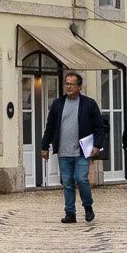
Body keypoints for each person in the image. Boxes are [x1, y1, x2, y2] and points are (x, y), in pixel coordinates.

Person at [44, 72, 108, 223]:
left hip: (82, 150)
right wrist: (44, 146)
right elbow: (50, 126)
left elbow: (100, 127)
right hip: (63, 151)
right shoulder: (58, 104)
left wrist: (97, 145)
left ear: (79, 87)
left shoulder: (89, 104)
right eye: (66, 83)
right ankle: (70, 213)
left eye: (71, 84)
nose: (68, 86)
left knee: (81, 179)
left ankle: (88, 207)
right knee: (67, 182)